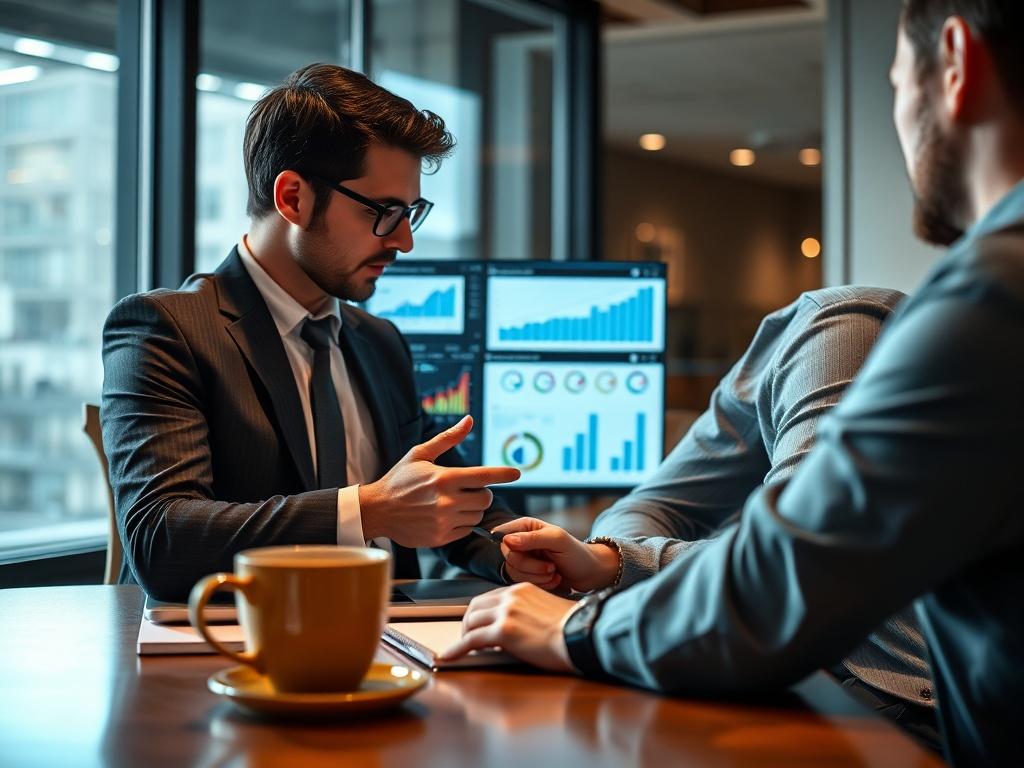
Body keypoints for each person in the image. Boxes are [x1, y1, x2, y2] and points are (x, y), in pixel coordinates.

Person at [443, 1, 1024, 763]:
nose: (899, 114)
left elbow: (784, 587)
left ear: (953, 61)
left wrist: (568, 628)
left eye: (894, 83)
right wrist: (618, 562)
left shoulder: (992, 295)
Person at [101, 64, 519, 602]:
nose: (405, 241)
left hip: (396, 645)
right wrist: (368, 511)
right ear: (293, 197)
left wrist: (511, 554)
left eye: (411, 212)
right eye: (385, 212)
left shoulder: (379, 341)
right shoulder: (167, 330)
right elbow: (162, 537)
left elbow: (436, 491)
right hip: (229, 654)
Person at [495, 285, 941, 746]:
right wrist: (615, 561)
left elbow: (791, 570)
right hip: (838, 676)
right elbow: (647, 508)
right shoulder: (784, 345)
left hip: (907, 711)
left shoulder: (846, 326)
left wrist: (613, 568)